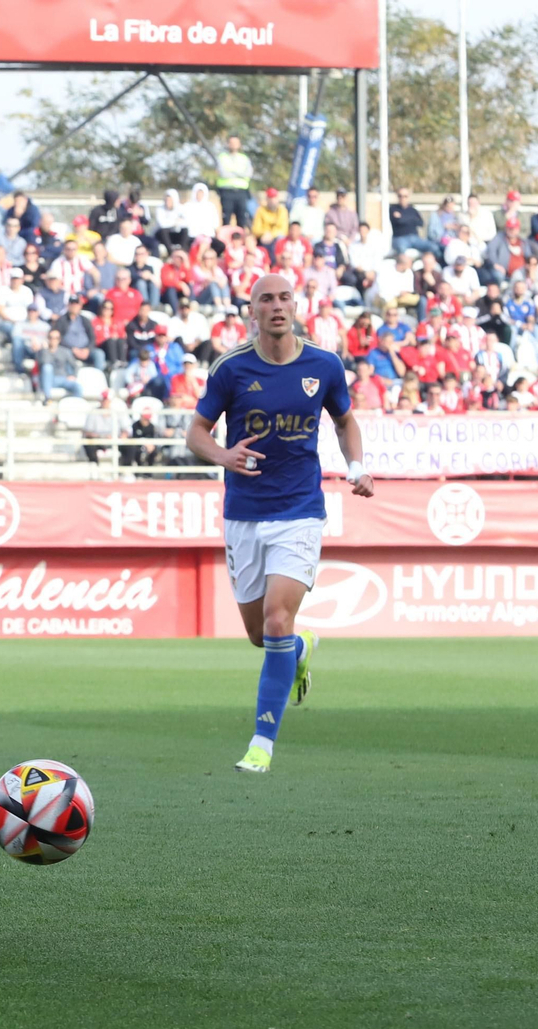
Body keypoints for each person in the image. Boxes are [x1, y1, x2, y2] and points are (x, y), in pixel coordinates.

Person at [183, 273, 375, 775]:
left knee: (274, 620)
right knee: (259, 634)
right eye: (265, 299)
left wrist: (355, 467)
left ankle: (261, 744)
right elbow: (196, 433)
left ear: (295, 305)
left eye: (283, 297)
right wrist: (225, 455)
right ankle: (301, 646)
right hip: (244, 515)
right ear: (252, 311)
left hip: (300, 512)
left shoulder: (324, 365)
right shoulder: (231, 369)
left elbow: (345, 420)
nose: (276, 306)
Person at [215, 136, 252, 227]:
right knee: (226, 218)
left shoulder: (244, 158)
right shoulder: (222, 157)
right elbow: (223, 173)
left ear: (239, 145)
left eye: (236, 143)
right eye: (231, 143)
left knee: (242, 219)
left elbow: (248, 174)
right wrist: (239, 173)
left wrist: (231, 170)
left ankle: (240, 240)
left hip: (241, 192)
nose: (233, 145)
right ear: (228, 144)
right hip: (227, 192)